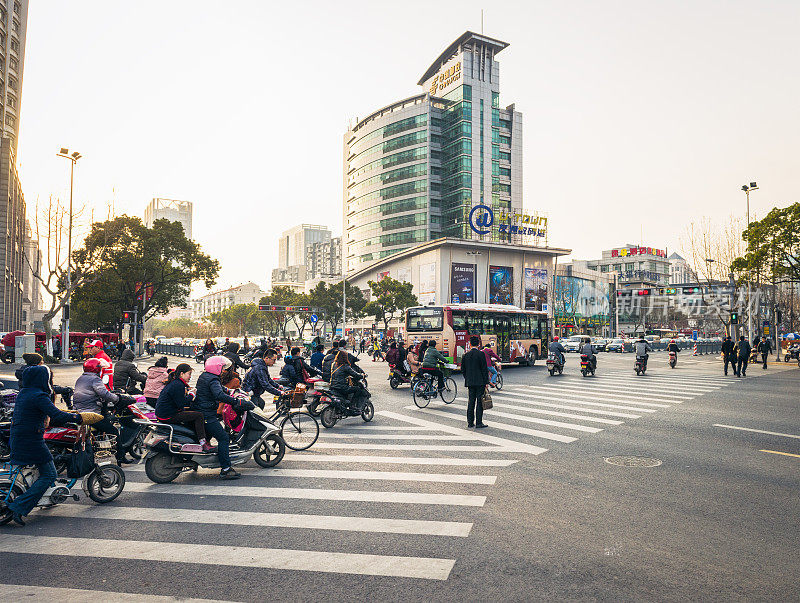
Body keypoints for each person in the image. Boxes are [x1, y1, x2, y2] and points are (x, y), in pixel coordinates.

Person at [5, 365, 83, 525]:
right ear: (42, 379)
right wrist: (78, 418)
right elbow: (55, 414)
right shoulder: (38, 396)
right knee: (50, 474)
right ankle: (19, 507)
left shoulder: (24, 393)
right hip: (31, 440)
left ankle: (39, 497)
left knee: (46, 469)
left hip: (20, 437)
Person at [73, 358, 135, 464]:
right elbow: (104, 394)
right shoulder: (95, 379)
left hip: (78, 411)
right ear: (96, 369)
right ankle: (121, 456)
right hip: (91, 413)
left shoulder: (81, 378)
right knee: (114, 431)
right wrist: (117, 399)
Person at [192, 356, 242, 480]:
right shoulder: (213, 379)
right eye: (222, 367)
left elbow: (220, 389)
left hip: (202, 410)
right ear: (217, 367)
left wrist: (230, 391)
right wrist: (235, 401)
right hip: (207, 413)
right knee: (223, 438)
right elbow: (218, 394)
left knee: (210, 436)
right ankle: (226, 469)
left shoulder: (205, 376)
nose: (223, 370)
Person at [154, 363, 213, 452]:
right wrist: (191, 394)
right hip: (168, 415)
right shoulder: (178, 385)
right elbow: (182, 403)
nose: (190, 377)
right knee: (199, 415)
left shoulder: (175, 383)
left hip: (163, 413)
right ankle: (203, 442)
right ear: (182, 374)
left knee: (192, 412)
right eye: (189, 374)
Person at [462, 336, 490, 429]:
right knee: (479, 402)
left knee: (471, 402)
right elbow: (484, 369)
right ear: (478, 344)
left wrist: (468, 378)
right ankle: (479, 423)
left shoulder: (465, 355)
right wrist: (486, 382)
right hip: (480, 382)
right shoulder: (481, 354)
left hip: (470, 382)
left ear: (470, 344)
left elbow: (463, 370)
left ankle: (470, 423)